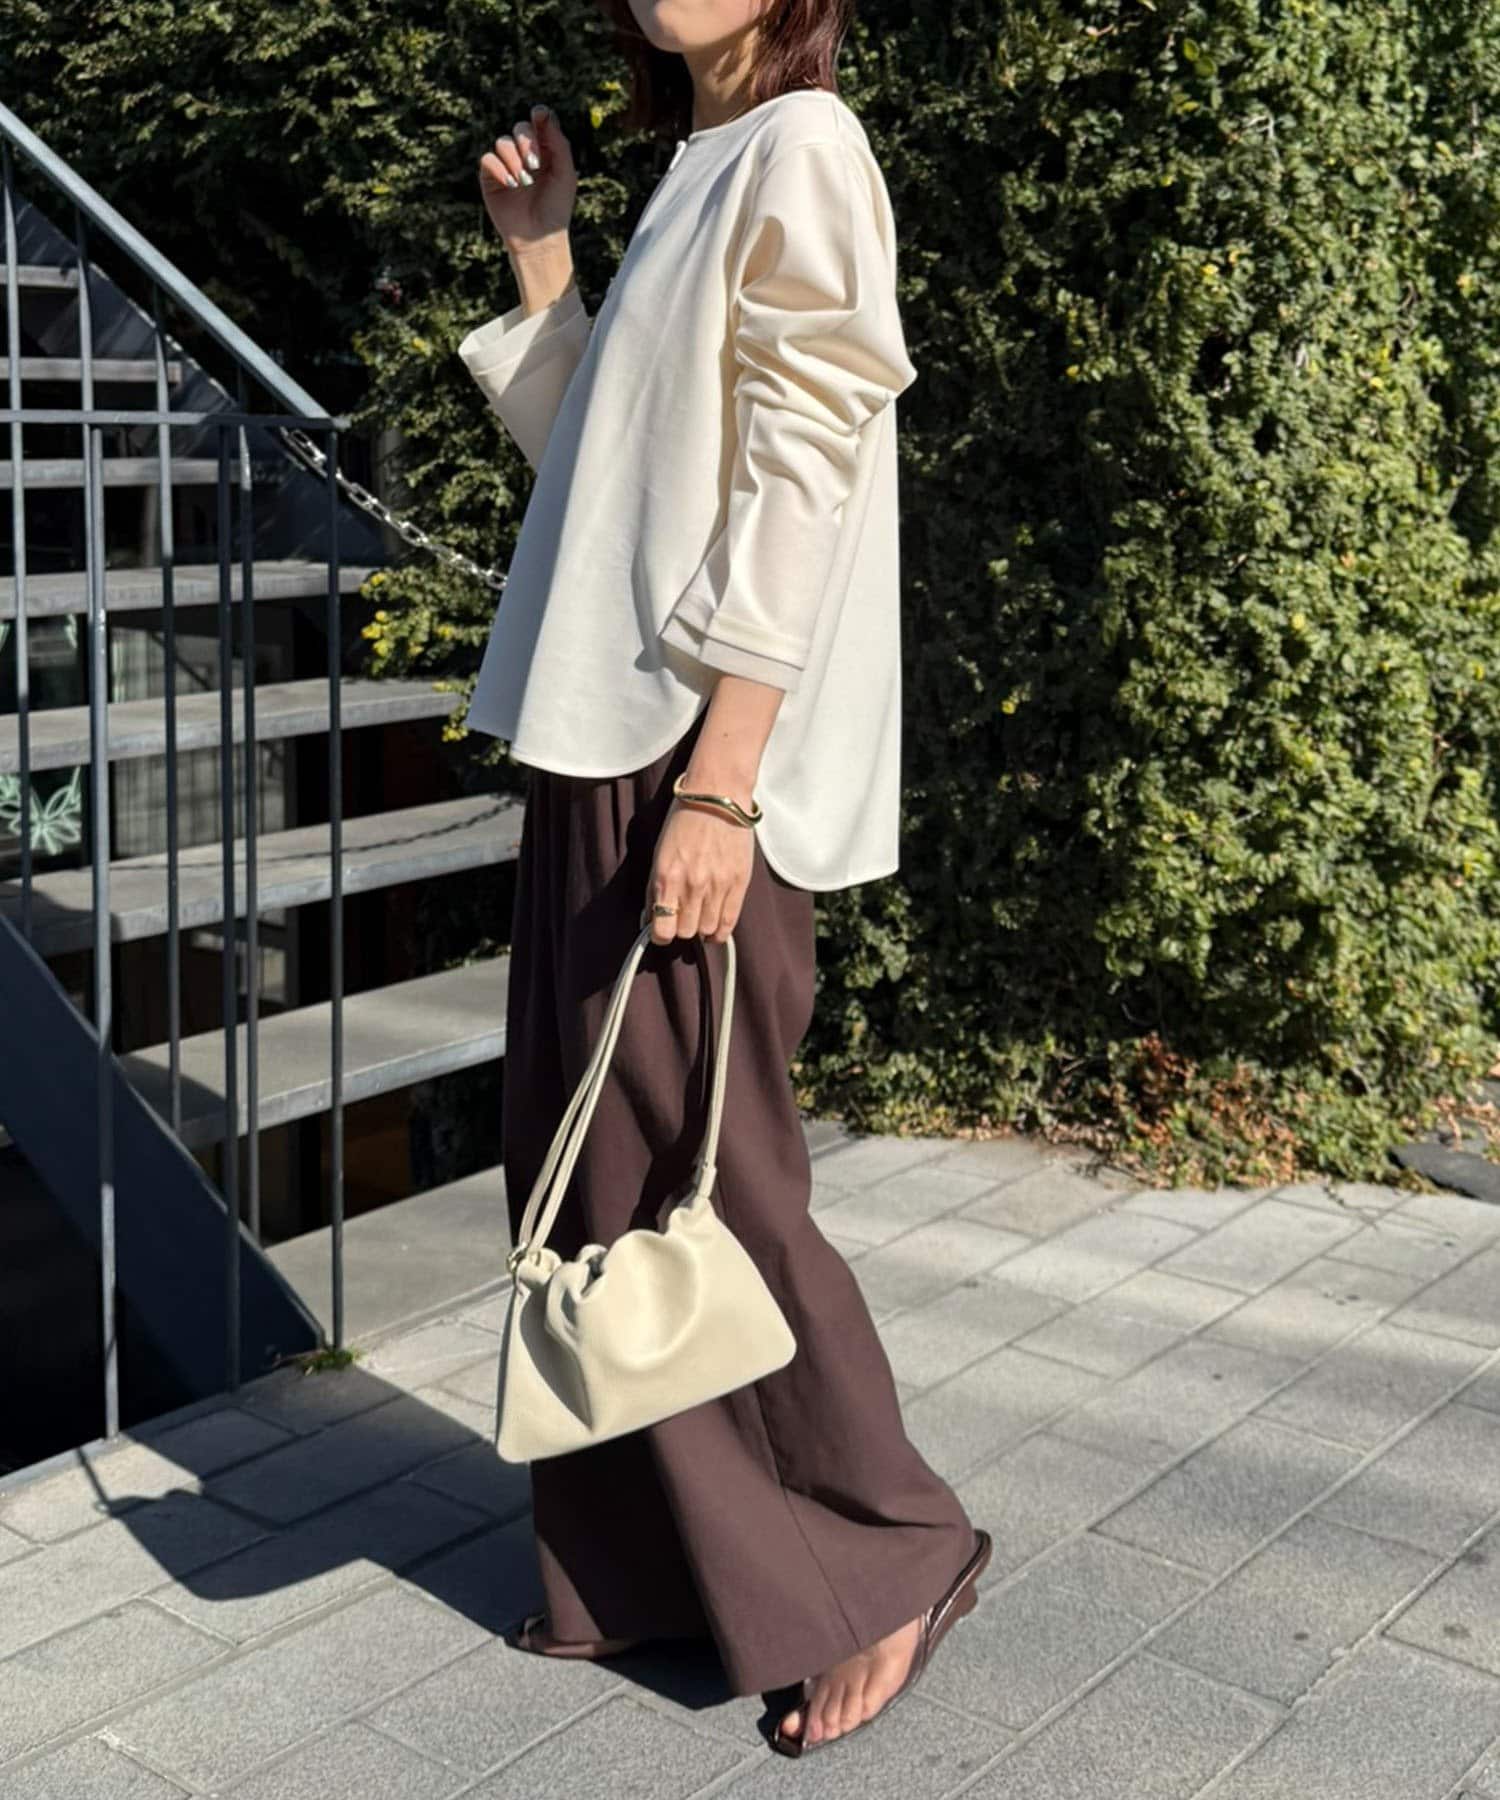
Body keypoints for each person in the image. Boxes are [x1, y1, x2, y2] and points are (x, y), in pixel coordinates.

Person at [455, 0, 989, 1758]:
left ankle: (882, 1556)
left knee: (713, 1174)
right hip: (604, 737)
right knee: (594, 1163)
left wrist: (725, 780)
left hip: (685, 753)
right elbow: (604, 494)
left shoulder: (805, 146)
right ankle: (660, 1568)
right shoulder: (701, 161)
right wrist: (545, 260)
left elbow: (804, 476)